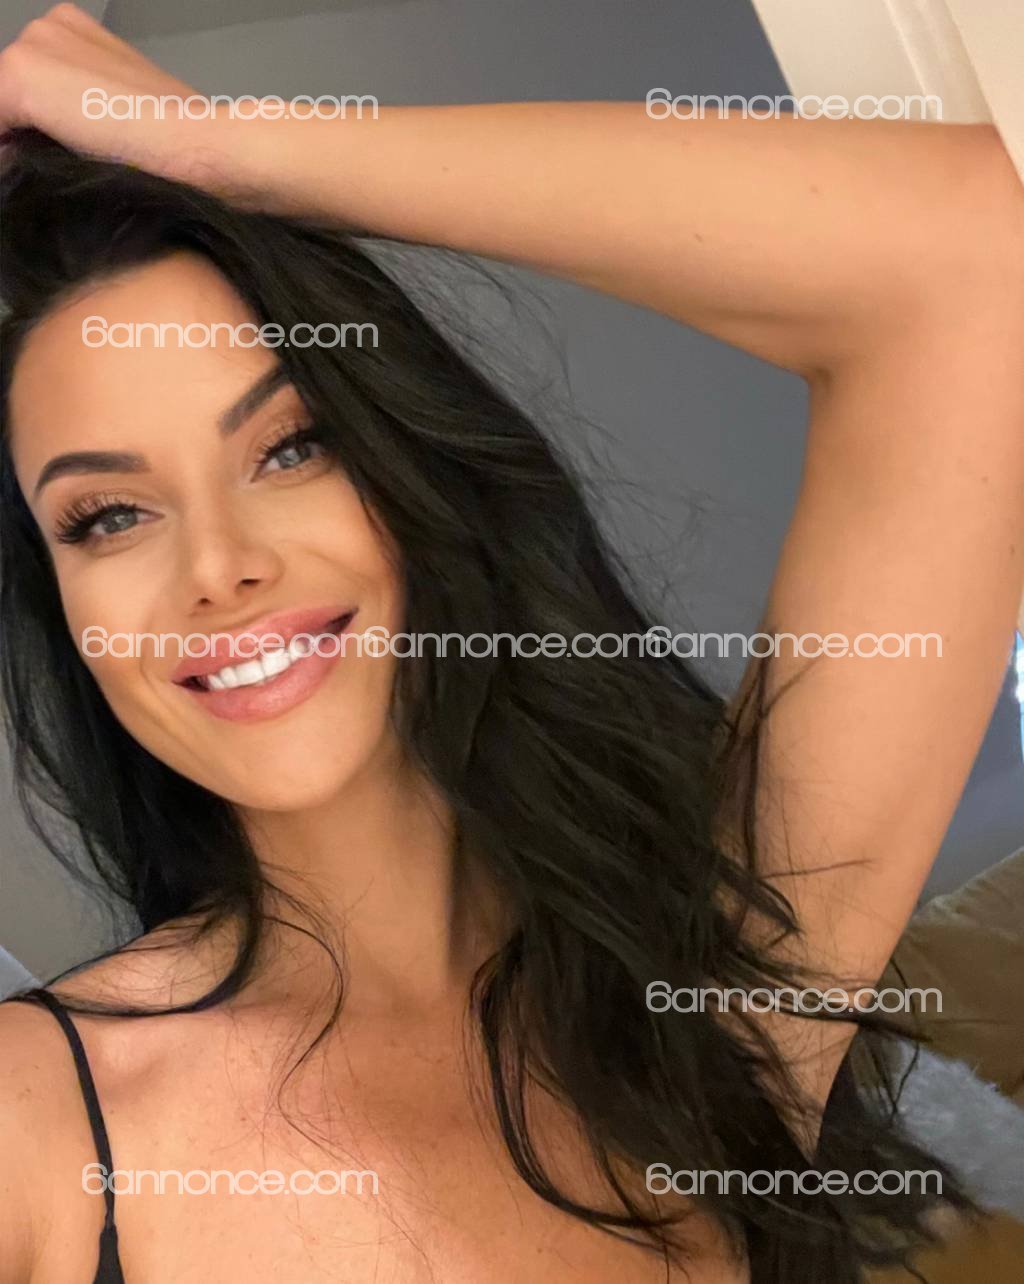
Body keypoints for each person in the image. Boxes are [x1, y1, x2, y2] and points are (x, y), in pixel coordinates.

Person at [0, 5, 1022, 1283]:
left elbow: (972, 261)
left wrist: (224, 146)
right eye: (108, 516)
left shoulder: (708, 984)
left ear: (410, 477)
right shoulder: (36, 1132)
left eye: (291, 447)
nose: (219, 568)